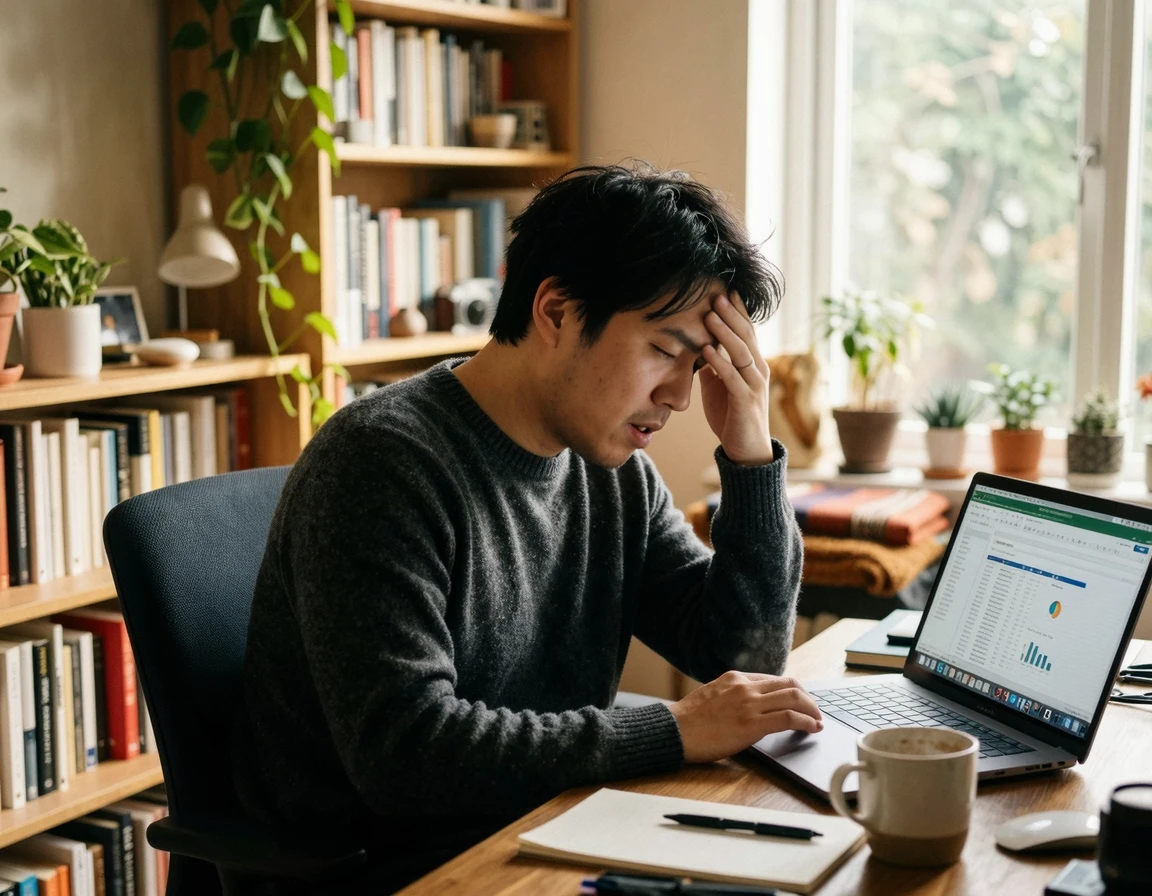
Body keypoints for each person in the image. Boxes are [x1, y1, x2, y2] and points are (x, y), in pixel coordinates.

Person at [232, 163, 823, 892]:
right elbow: (407, 757)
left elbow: (745, 652)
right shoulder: (382, 462)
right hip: (408, 870)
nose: (678, 395)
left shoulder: (611, 471)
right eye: (665, 352)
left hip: (548, 830)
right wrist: (674, 728)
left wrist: (750, 450)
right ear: (556, 312)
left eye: (698, 363)